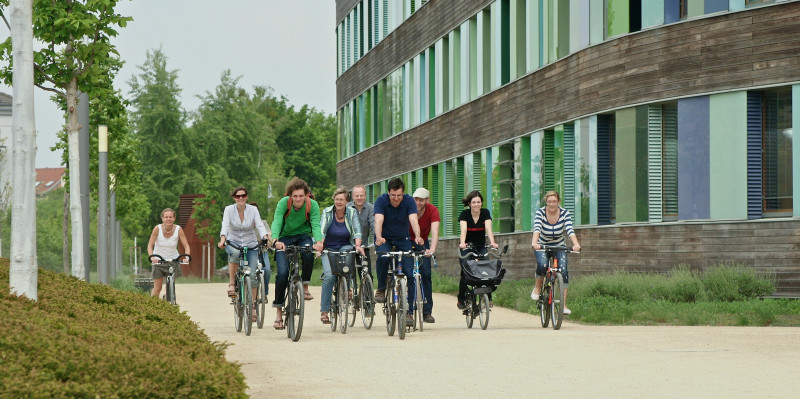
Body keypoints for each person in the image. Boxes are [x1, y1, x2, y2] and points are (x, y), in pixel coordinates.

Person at [271, 177, 323, 330]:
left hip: (303, 236)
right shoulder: (283, 203)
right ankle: (279, 314)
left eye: (301, 196)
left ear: (306, 195)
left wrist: (318, 241)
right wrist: (275, 240)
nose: (298, 199)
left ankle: (305, 286)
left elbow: (315, 223)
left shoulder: (311, 205)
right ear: (290, 196)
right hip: (284, 239)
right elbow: (277, 222)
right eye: (295, 196)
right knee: (282, 273)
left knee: (308, 252)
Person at [374, 178, 424, 327]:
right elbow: (378, 220)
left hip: (403, 238)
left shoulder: (409, 201)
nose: (396, 199)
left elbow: (414, 220)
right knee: (383, 257)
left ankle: (409, 312)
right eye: (393, 195)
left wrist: (418, 236)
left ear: (403, 194)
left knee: (410, 274)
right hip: (385, 239)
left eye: (399, 195)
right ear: (388, 193)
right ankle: (382, 289)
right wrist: (378, 237)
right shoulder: (381, 201)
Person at [218, 187, 271, 321]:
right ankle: (231, 283)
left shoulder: (253, 210)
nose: (240, 198)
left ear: (246, 197)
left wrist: (265, 237)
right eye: (237, 196)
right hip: (233, 242)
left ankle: (253, 307)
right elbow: (225, 225)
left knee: (253, 275)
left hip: (251, 243)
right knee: (235, 254)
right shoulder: (229, 210)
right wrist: (223, 239)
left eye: (243, 195)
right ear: (234, 198)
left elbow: (259, 225)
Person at [530, 190, 581, 315]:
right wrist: (534, 243)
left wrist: (576, 244)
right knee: (542, 265)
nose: (552, 204)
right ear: (546, 202)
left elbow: (570, 230)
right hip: (542, 244)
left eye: (554, 201)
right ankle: (537, 288)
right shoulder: (540, 213)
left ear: (558, 201)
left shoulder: (564, 213)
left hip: (559, 245)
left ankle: (563, 305)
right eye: (549, 202)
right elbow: (537, 228)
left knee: (563, 271)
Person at [319, 186, 365, 324]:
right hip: (328, 248)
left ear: (346, 201)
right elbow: (321, 231)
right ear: (334, 199)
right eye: (337, 199)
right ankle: (324, 311)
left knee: (348, 260)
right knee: (329, 276)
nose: (338, 202)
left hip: (345, 245)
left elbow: (357, 230)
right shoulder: (327, 212)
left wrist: (357, 246)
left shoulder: (351, 213)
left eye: (342, 200)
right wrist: (320, 245)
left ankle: (347, 288)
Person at [457, 191, 499, 309]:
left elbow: (488, 229)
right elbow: (463, 230)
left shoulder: (485, 213)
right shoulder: (465, 214)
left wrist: (492, 242)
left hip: (481, 246)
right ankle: (461, 299)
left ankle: (488, 297)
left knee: (485, 269)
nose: (476, 204)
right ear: (469, 204)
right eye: (474, 202)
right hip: (467, 246)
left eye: (478, 202)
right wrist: (462, 243)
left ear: (481, 203)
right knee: (466, 271)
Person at [408, 187, 439, 323]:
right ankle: (408, 310)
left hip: (423, 242)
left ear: (427, 200)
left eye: (421, 200)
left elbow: (435, 232)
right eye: (416, 199)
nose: (418, 202)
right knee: (407, 274)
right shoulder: (408, 207)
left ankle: (427, 311)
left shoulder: (432, 210)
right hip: (406, 240)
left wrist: (431, 249)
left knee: (426, 273)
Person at [147, 208, 191, 298]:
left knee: (170, 287)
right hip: (159, 261)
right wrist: (152, 257)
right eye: (166, 217)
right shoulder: (157, 229)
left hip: (173, 261)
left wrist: (187, 257)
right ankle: (152, 306)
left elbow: (186, 246)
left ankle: (169, 299)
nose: (168, 219)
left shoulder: (178, 229)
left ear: (174, 218)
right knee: (157, 287)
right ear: (162, 218)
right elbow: (150, 245)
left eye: (170, 217)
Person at [346, 184, 375, 278]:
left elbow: (373, 225)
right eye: (356, 195)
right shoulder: (347, 208)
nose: (359, 198)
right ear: (352, 197)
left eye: (361, 195)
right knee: (347, 272)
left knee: (367, 273)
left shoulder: (370, 208)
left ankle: (366, 290)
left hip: (363, 245)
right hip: (348, 245)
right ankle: (348, 289)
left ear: (365, 196)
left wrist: (378, 237)